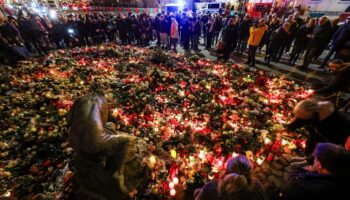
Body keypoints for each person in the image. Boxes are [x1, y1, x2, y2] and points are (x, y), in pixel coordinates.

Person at [279, 143, 350, 200]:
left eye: (315, 158)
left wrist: (301, 172)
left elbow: (287, 190)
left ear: (320, 165)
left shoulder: (304, 187)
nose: (313, 161)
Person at [194, 155, 268, 200]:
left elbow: (198, 197)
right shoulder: (258, 189)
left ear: (226, 172)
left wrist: (197, 191)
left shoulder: (211, 188)